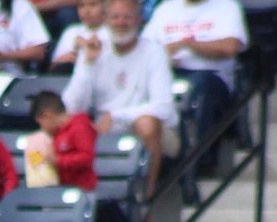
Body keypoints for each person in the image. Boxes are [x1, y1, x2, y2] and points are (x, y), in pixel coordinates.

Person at [61, 0, 177, 196]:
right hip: (104, 128)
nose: (121, 22)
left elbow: (164, 107)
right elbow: (71, 108)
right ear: (105, 20)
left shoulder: (154, 51)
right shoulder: (93, 47)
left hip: (153, 130)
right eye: (115, 17)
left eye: (127, 17)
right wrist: (88, 63)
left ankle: (144, 202)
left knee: (146, 124)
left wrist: (116, 115)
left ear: (139, 20)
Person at [142, 0, 247, 171]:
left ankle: (199, 161)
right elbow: (143, 51)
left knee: (198, 87)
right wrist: (163, 57)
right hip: (170, 74)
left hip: (212, 79)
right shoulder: (164, 9)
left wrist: (188, 44)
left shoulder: (227, 6)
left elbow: (230, 47)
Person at [32, 89, 97, 191]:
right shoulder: (55, 134)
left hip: (81, 190)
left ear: (47, 115)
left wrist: (58, 160)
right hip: (61, 189)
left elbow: (87, 157)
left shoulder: (79, 127)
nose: (42, 127)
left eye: (41, 123)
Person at [49, 0, 107, 69]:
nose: (86, 11)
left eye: (92, 5)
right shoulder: (71, 31)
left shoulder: (112, 32)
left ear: (105, 7)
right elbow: (52, 68)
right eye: (81, 6)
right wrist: (62, 60)